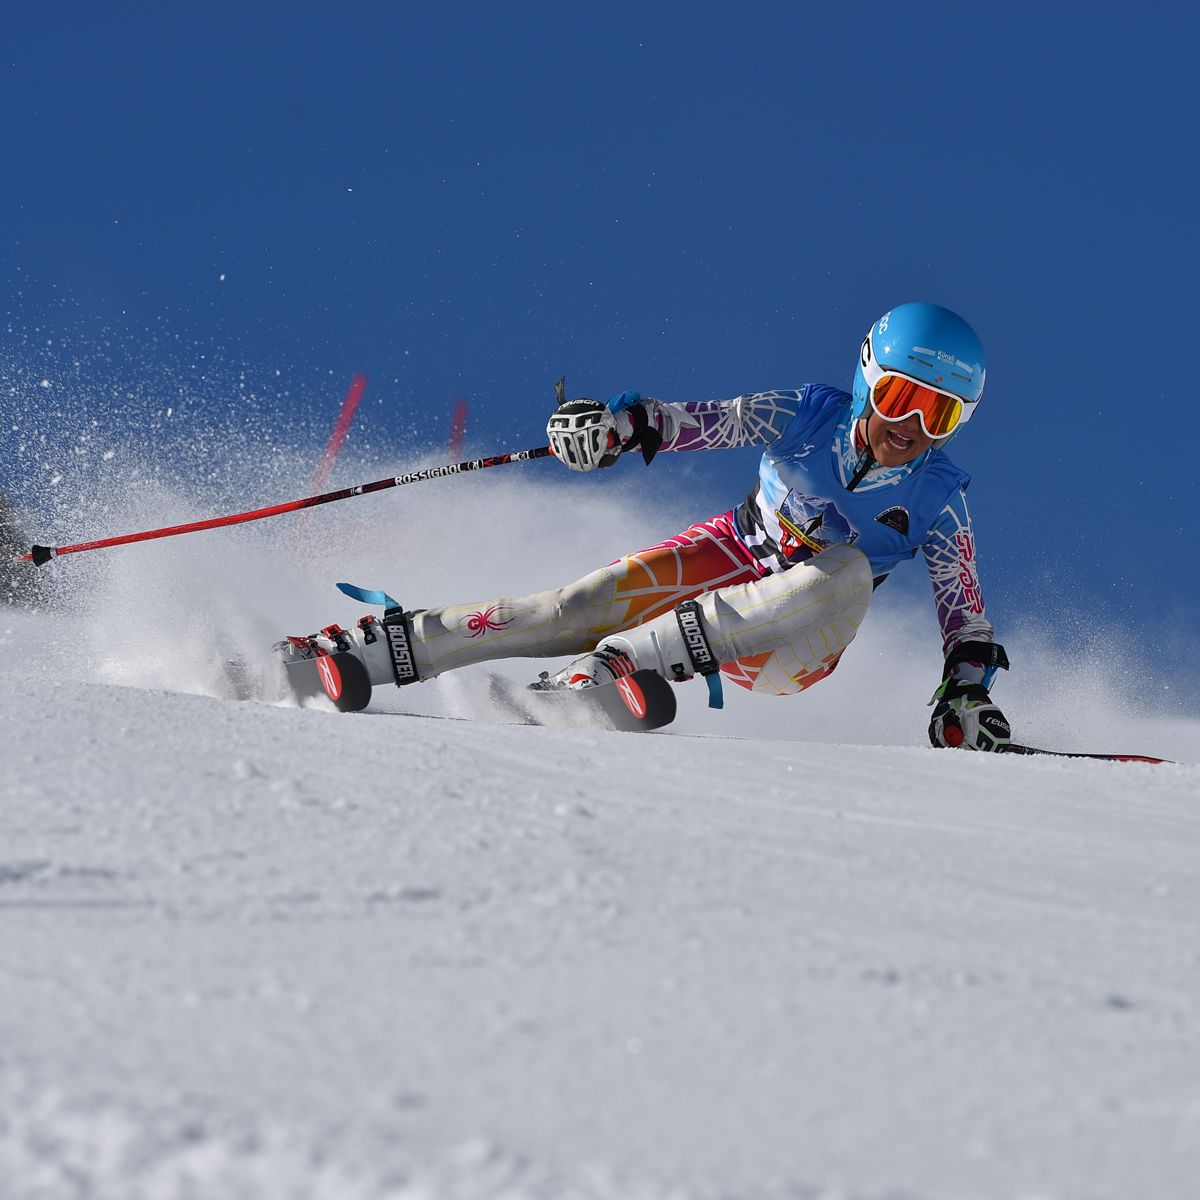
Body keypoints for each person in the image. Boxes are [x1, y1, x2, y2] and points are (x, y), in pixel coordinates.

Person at [281, 302, 1012, 750]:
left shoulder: (940, 498)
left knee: (846, 570)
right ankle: (373, 650)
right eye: (902, 398)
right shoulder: (810, 414)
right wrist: (619, 428)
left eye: (940, 414)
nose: (913, 426)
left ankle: (617, 663)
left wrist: (966, 696)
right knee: (574, 606)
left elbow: (967, 620)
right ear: (868, 379)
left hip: (792, 642)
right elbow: (712, 421)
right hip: (731, 552)